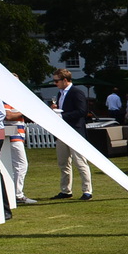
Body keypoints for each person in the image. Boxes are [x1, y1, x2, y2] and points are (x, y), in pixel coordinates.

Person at [49, 68, 93, 200]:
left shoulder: (76, 92)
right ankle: (66, 190)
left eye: (57, 81)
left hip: (75, 132)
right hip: (62, 132)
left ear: (65, 80)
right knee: (63, 163)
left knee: (80, 162)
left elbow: (82, 111)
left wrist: (62, 115)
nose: (55, 83)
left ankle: (87, 190)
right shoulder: (60, 94)